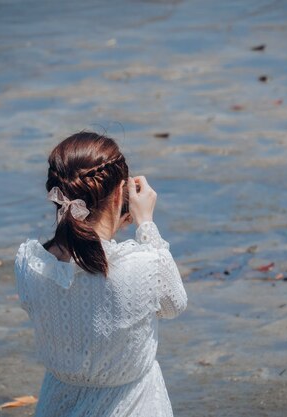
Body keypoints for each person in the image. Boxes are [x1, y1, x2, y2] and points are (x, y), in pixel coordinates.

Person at [14, 131, 188, 417]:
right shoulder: (142, 265)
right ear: (121, 193)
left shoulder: (29, 264)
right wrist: (146, 224)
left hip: (56, 405)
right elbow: (173, 305)